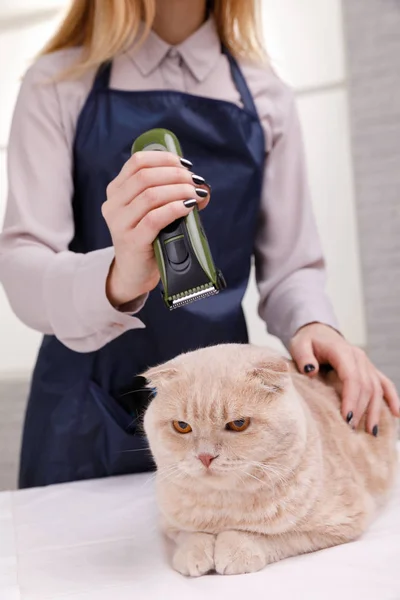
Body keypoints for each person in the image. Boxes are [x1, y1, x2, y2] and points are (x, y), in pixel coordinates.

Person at [0, 0, 398, 489]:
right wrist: (119, 276)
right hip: (83, 420)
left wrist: (314, 324)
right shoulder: (57, 82)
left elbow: (291, 269)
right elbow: (23, 266)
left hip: (233, 423)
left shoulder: (266, 93)